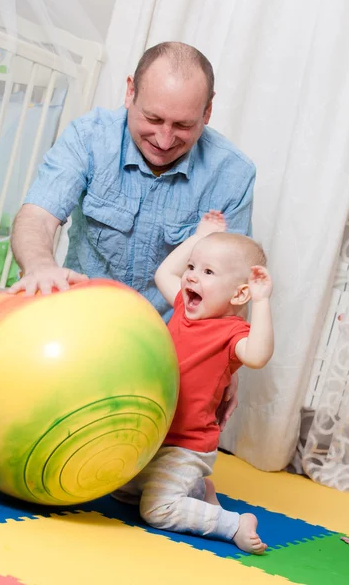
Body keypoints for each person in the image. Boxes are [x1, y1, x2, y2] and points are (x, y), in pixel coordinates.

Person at [9, 41, 256, 428]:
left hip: (163, 351)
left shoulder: (234, 174)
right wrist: (40, 266)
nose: (163, 138)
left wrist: (227, 363)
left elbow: (231, 283)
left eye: (183, 125)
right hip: (77, 325)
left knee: (148, 478)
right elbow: (36, 217)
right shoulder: (89, 136)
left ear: (208, 111)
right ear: (130, 92)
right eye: (153, 119)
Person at [112, 210, 274, 554]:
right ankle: (200, 492)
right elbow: (164, 272)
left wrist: (261, 302)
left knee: (156, 510)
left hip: (186, 444)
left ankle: (234, 523)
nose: (191, 278)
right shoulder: (184, 308)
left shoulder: (233, 332)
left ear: (239, 294)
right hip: (153, 434)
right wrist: (197, 239)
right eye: (192, 268)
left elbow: (258, 356)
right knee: (118, 490)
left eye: (208, 272)